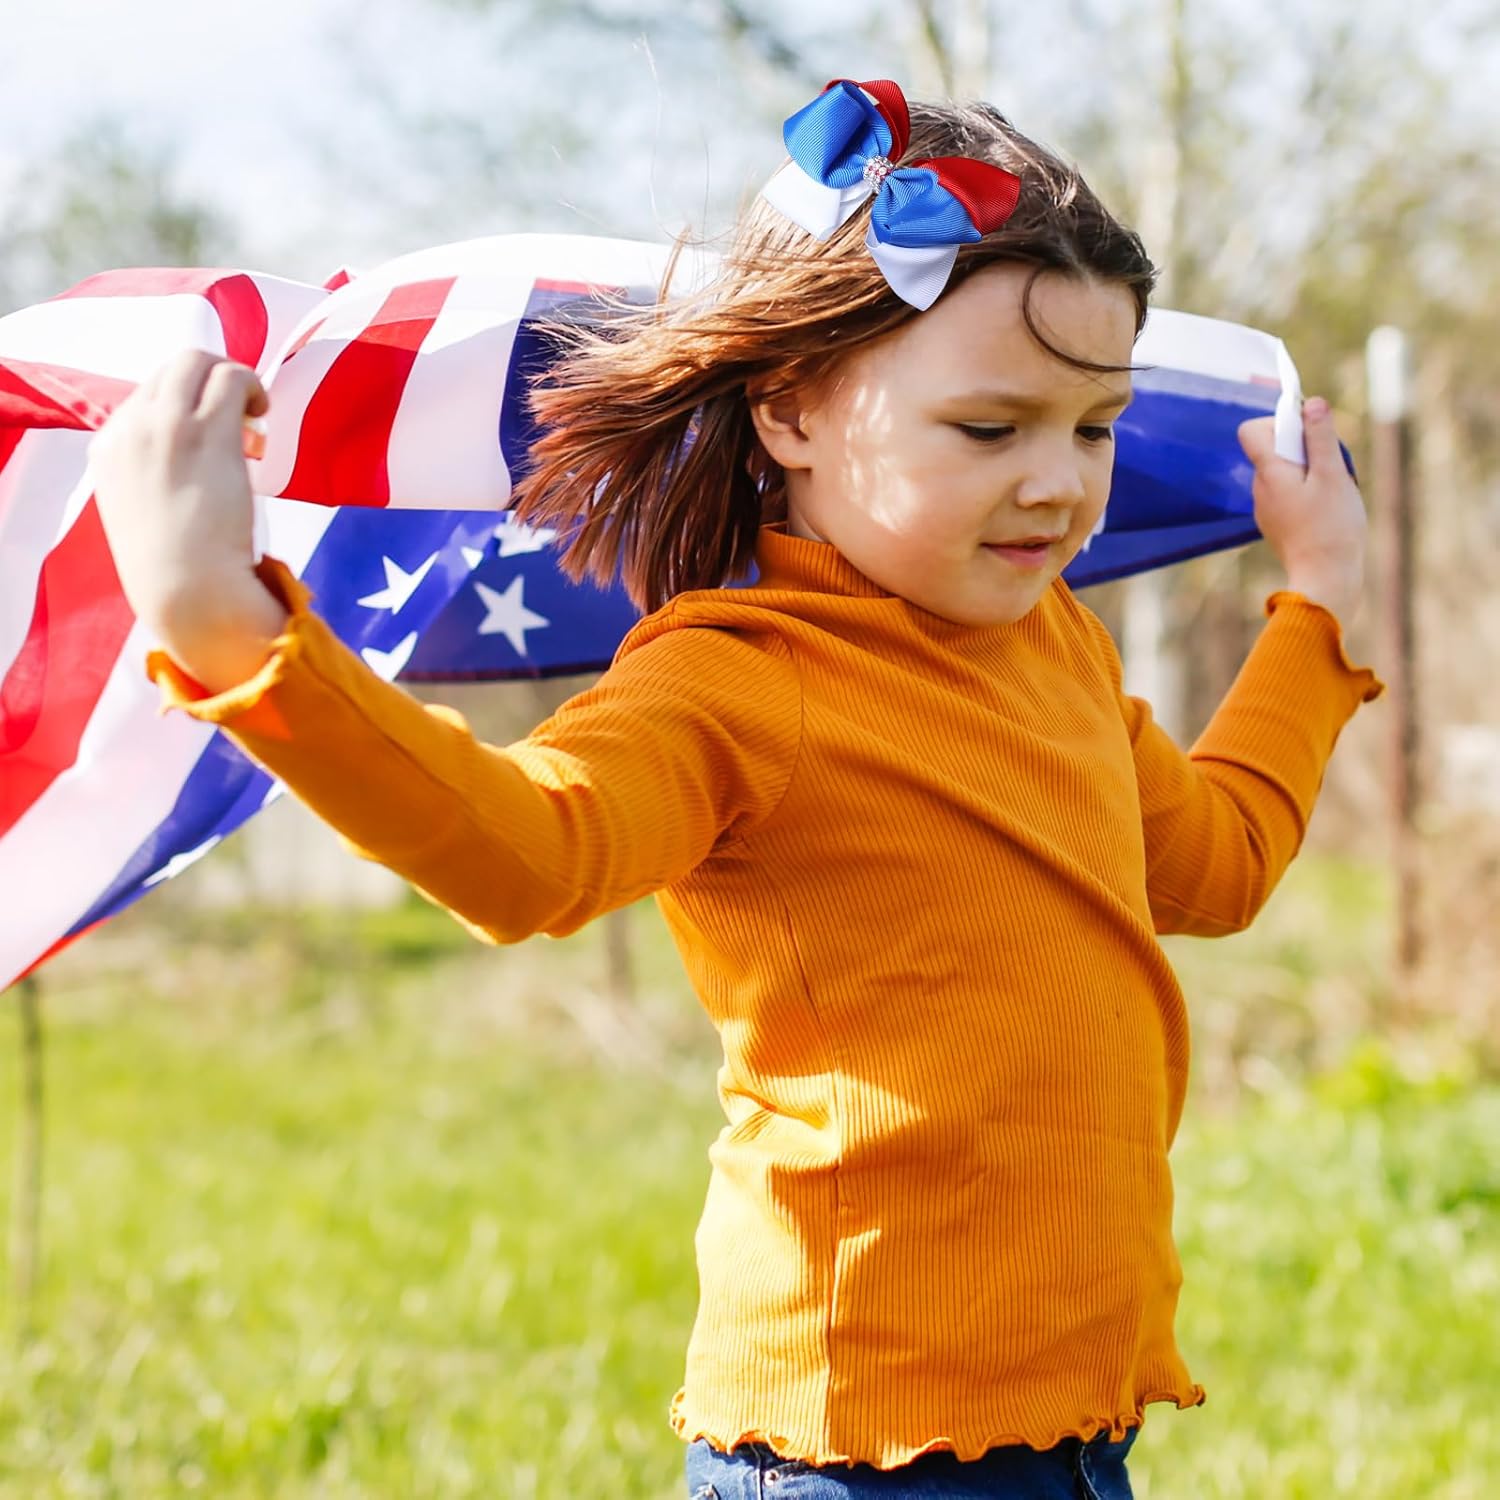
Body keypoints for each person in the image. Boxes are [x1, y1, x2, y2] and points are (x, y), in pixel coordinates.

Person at [91, 80, 1380, 1500]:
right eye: (988, 429)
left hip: (1076, 1422)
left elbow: (1216, 864)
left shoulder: (1052, 643)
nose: (1059, 486)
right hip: (852, 1453)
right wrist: (231, 634)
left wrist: (1320, 598)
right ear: (791, 411)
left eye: (1093, 428)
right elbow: (528, 855)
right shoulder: (737, 677)